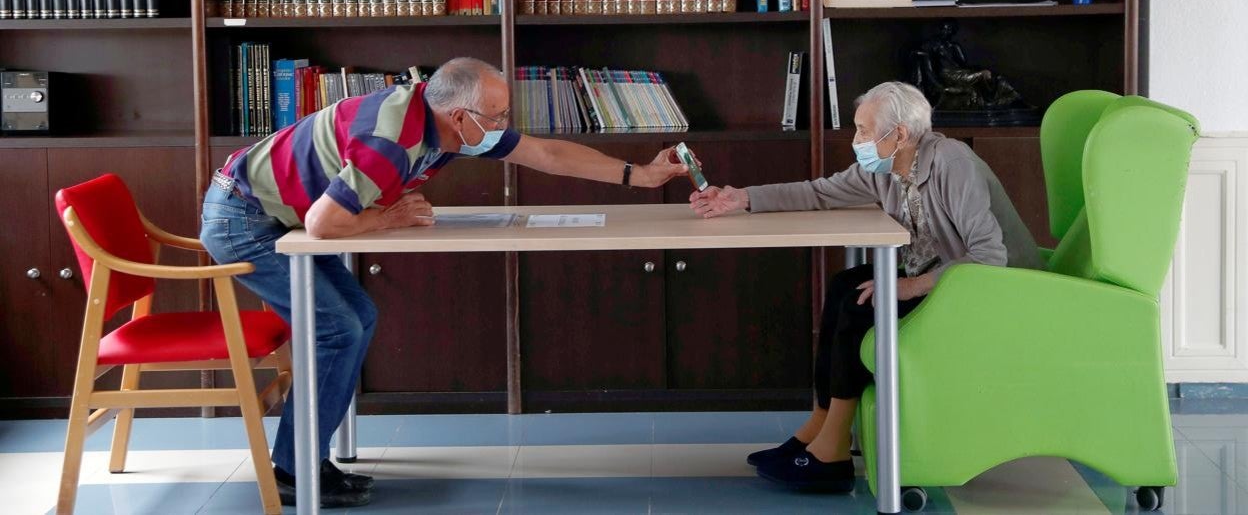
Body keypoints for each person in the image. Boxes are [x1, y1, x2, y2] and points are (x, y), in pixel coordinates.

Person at [200, 57, 688, 508]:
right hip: (245, 219)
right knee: (338, 328)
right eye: (496, 116)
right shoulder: (391, 143)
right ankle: (295, 471)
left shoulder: (451, 125)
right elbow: (324, 222)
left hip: (276, 208)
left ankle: (304, 459)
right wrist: (386, 220)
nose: (503, 126)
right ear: (460, 117)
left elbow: (547, 154)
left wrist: (639, 175)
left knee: (355, 319)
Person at [689, 81, 1044, 492]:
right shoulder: (887, 169)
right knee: (846, 285)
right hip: (947, 283)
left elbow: (989, 256)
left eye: (863, 130)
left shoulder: (951, 162)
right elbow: (820, 193)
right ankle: (819, 427)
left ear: (901, 135)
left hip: (994, 293)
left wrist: (910, 287)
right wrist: (742, 198)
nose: (855, 140)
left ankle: (833, 452)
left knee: (864, 304)